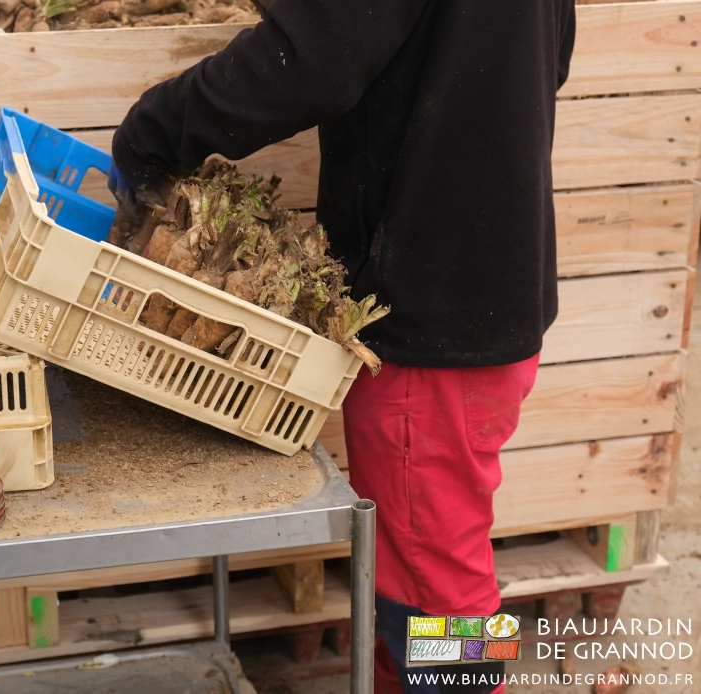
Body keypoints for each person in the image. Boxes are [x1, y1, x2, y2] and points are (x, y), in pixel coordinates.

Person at [108, 1, 576, 691]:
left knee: (436, 589)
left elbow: (309, 62)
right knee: (415, 561)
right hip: (492, 293)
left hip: (431, 318)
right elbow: (554, 56)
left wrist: (153, 131)